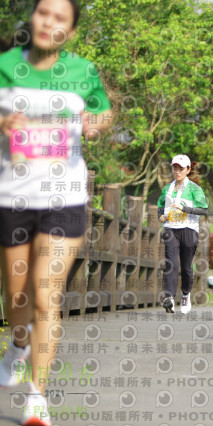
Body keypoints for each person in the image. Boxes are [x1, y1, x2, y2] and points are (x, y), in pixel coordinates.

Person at [0, 0, 112, 424]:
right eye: (43, 12)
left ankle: (36, 397)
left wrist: (94, 123)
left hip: (64, 196)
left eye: (60, 17)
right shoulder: (7, 64)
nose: (49, 22)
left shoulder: (82, 71)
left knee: (46, 295)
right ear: (32, 18)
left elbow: (102, 110)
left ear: (72, 30)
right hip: (12, 195)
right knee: (18, 297)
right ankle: (18, 344)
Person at [158, 154, 208, 315]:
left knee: (186, 267)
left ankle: (185, 294)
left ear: (188, 169)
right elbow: (161, 205)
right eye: (175, 168)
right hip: (170, 228)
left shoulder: (195, 189)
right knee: (171, 263)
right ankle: (170, 298)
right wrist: (161, 215)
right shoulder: (167, 188)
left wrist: (185, 208)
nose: (177, 171)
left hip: (189, 229)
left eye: (181, 168)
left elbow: (203, 210)